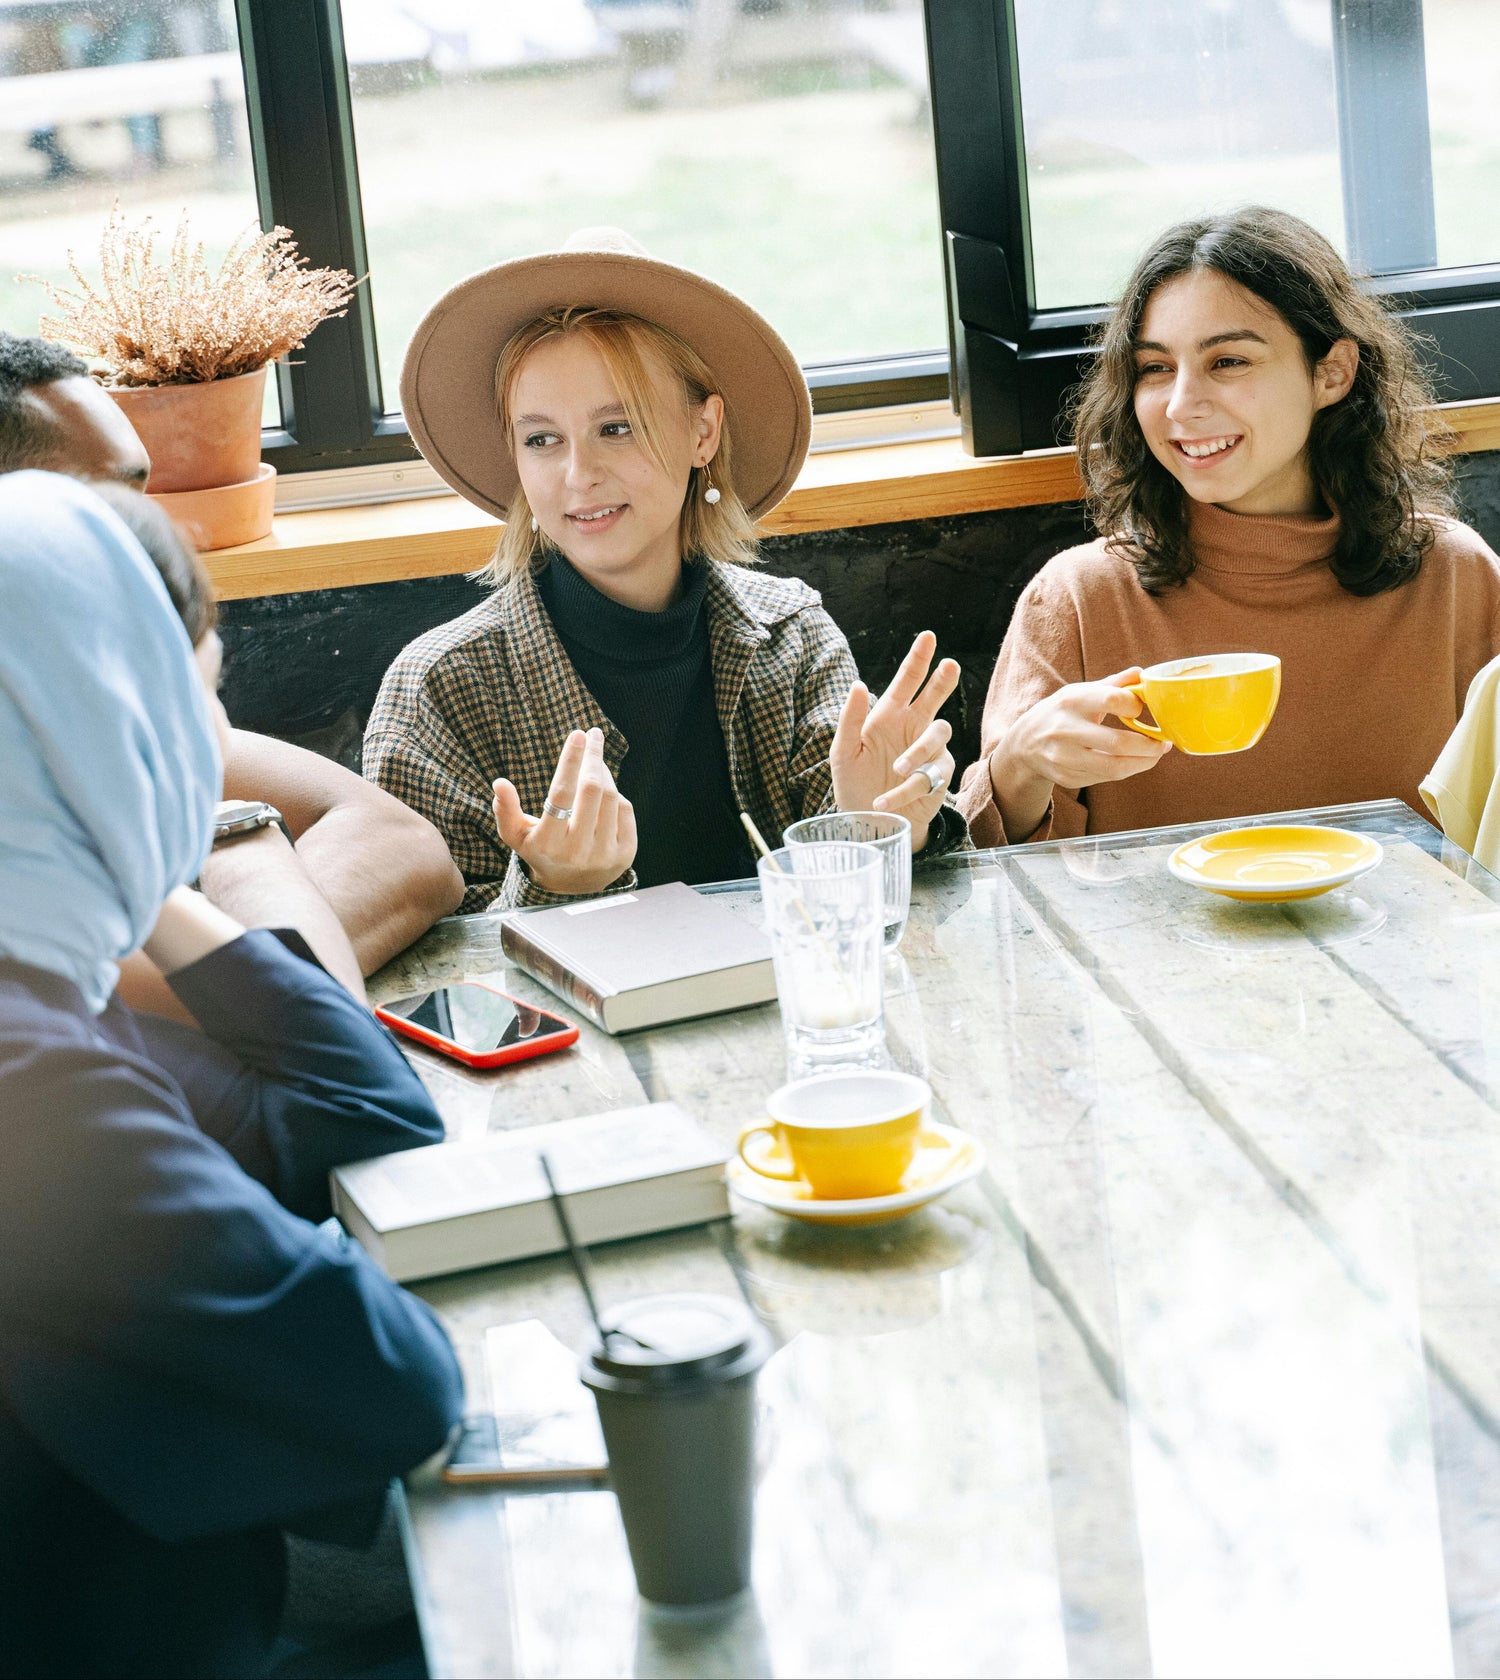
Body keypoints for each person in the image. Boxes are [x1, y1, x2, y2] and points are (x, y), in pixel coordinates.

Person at [0, 471, 464, 1679]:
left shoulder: (43, 994)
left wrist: (126, 864)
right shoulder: (32, 1086)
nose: (211, 763)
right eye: (194, 705)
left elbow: (357, 1113)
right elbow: (395, 1384)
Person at [366, 231, 966, 912]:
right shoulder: (439, 690)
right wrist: (554, 891)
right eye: (541, 439)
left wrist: (880, 831)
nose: (578, 475)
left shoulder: (794, 636)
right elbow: (431, 983)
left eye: (616, 427)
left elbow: (875, 921)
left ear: (703, 432)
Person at [958, 205, 1500, 846]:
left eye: (1229, 362)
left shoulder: (1455, 578)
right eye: (1155, 368)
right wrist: (1019, 767)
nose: (1183, 404)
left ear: (1332, 372)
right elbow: (985, 891)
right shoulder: (1079, 599)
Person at [0, 331, 464, 976]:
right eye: (106, 507)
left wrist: (252, 981)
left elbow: (402, 846)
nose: (162, 535)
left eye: (144, 492)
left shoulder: (98, 711)